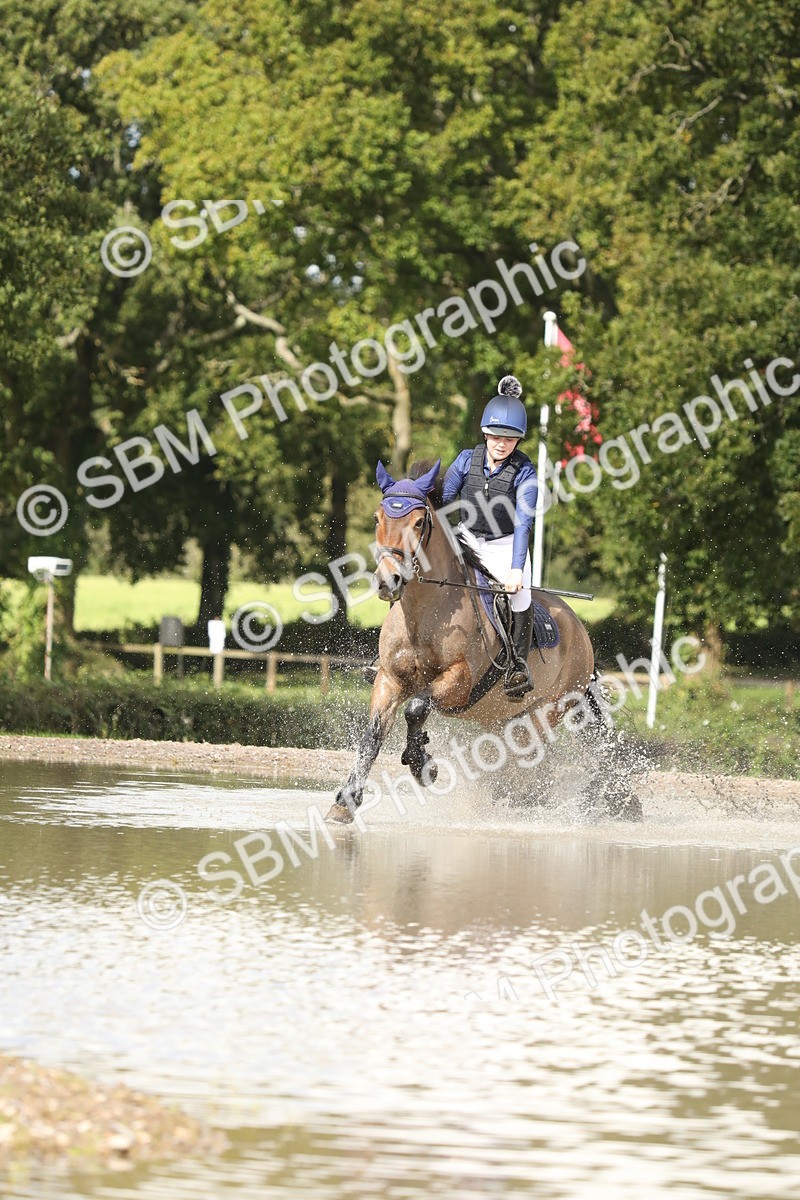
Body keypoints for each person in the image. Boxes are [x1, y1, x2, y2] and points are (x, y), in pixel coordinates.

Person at [442, 374, 537, 697]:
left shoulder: (525, 473)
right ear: (485, 432)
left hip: (505, 544)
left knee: (520, 595)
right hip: (467, 537)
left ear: (518, 441)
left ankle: (518, 668)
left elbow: (524, 524)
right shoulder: (466, 460)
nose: (501, 443)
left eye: (509, 439)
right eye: (496, 436)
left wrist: (514, 570)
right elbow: (445, 499)